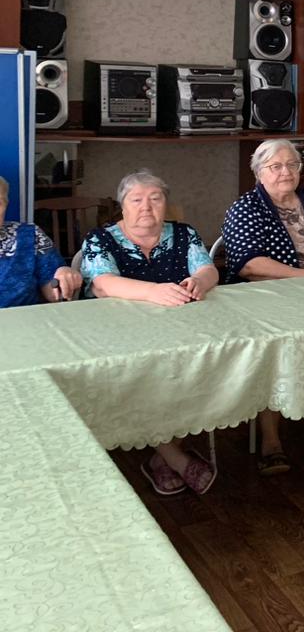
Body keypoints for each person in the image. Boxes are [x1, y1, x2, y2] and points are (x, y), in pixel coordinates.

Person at [79, 170, 219, 496]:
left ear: (165, 204)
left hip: (178, 330)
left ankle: (160, 457)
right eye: (137, 200)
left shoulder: (183, 233)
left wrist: (200, 282)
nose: (146, 207)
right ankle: (174, 457)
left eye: (155, 199)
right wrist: (153, 291)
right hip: (117, 334)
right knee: (135, 374)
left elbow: (207, 268)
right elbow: (103, 283)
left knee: (205, 365)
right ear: (122, 206)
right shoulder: (100, 238)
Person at [221, 138, 304, 473]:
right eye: (275, 166)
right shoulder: (246, 208)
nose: (285, 172)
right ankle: (271, 439)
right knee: (275, 348)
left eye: (292, 165)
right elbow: (248, 264)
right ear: (259, 173)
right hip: (263, 297)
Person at [0, 176, 80, 307]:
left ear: (6, 205)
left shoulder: (29, 235)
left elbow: (54, 292)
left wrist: (64, 276)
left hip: (25, 317)